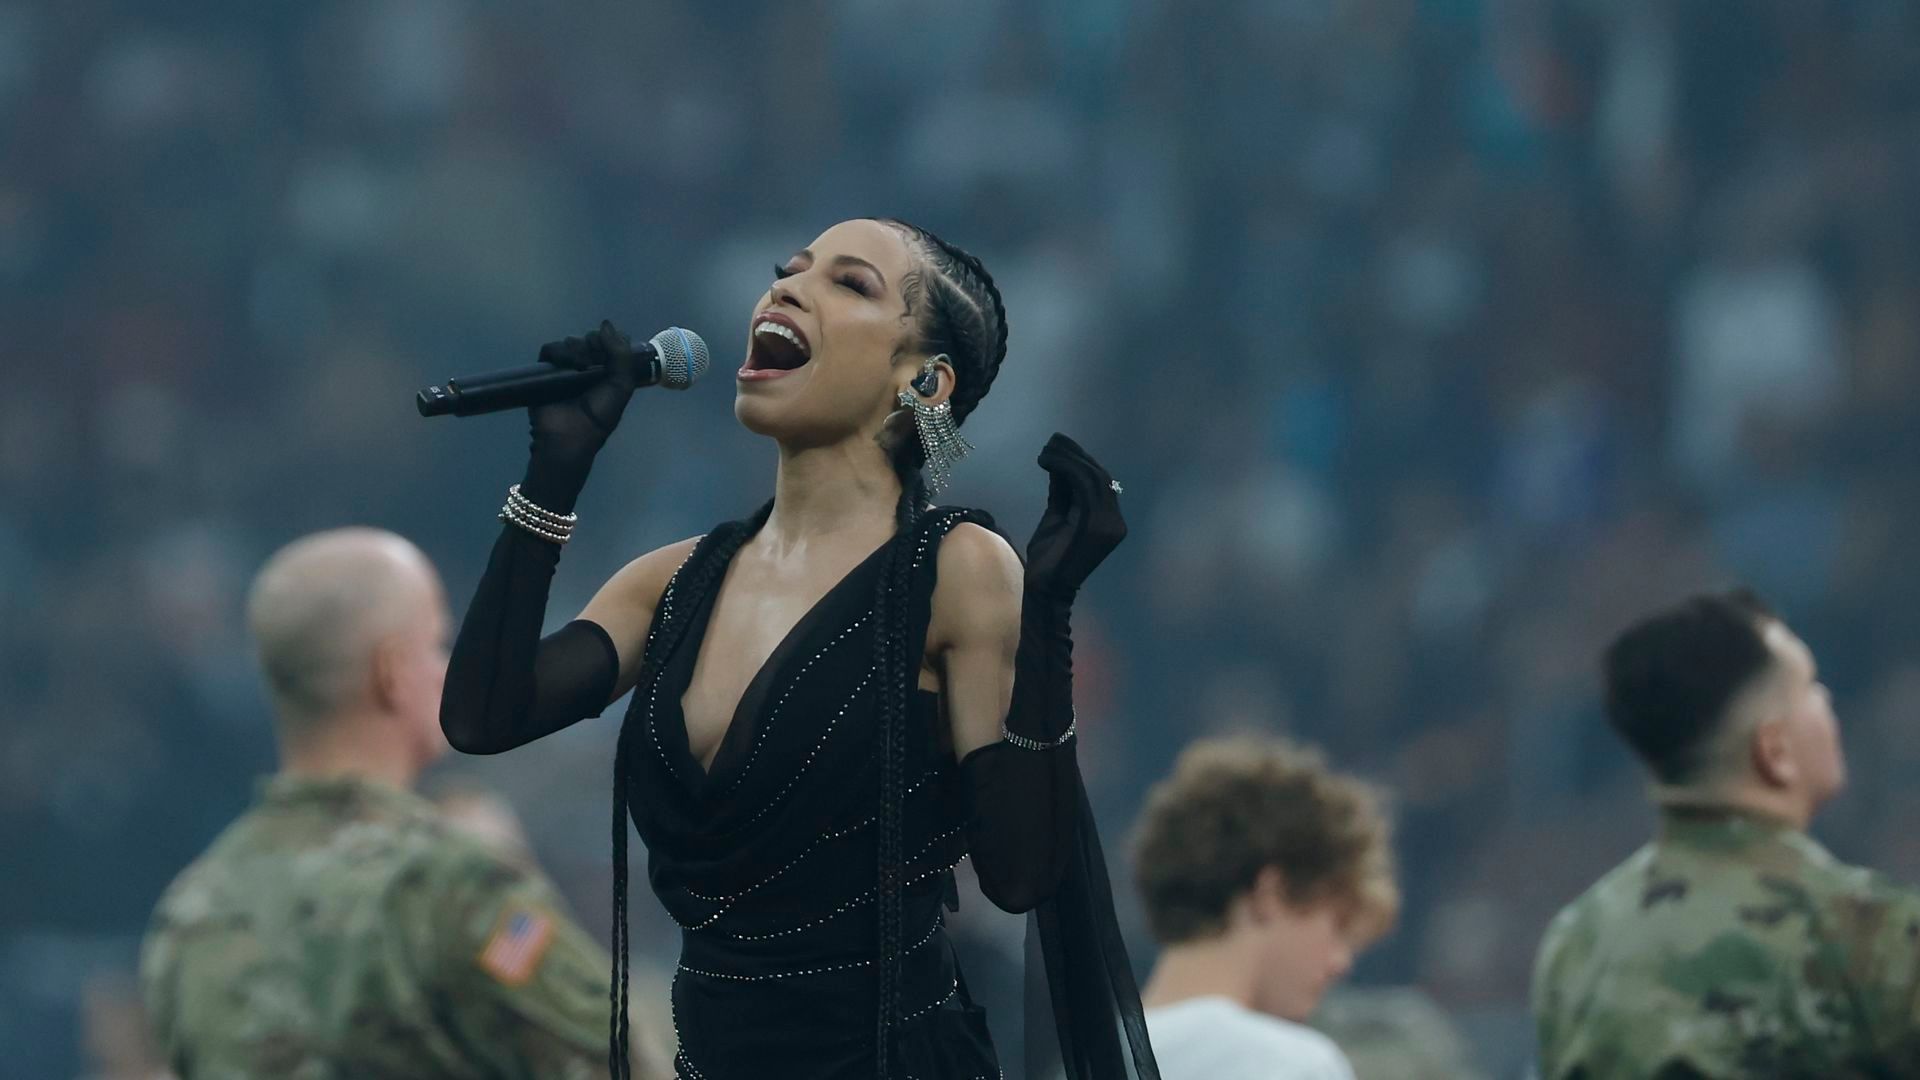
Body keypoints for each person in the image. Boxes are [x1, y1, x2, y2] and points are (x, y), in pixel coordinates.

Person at [439, 218, 1159, 1079]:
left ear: (925, 381)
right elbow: (485, 717)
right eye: (788, 271)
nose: (786, 288)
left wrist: (1046, 617)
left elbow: (1021, 873)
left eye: (849, 284)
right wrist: (555, 468)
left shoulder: (956, 569)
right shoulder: (671, 582)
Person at [140, 528, 618, 1079]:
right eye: (437, 645)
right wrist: (513, 883)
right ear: (391, 673)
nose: (449, 668)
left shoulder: (191, 915)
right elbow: (616, 1056)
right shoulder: (457, 883)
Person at [1532, 589, 1920, 1078]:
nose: (1826, 700)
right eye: (1810, 686)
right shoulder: (1870, 930)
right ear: (1774, 750)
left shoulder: (1577, 939)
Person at [1132, 735, 1398, 1080]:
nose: (1340, 962)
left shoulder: (1072, 1065)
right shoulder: (1293, 1066)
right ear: (1270, 895)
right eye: (1337, 925)